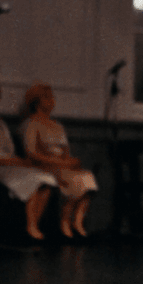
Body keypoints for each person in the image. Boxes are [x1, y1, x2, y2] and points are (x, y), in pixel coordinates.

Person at [0, 77, 56, 242]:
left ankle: (31, 225)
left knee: (47, 179)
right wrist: (14, 162)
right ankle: (30, 227)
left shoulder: (1, 123)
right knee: (34, 178)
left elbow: (10, 150)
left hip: (10, 164)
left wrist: (19, 161)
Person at [20, 83, 98, 240]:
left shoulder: (57, 126)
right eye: (47, 97)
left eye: (52, 97)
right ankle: (63, 221)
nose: (51, 101)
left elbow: (65, 152)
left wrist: (70, 161)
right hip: (43, 167)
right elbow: (31, 153)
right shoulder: (31, 124)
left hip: (61, 165)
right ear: (36, 101)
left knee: (86, 177)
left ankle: (75, 220)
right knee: (68, 178)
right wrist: (59, 164)